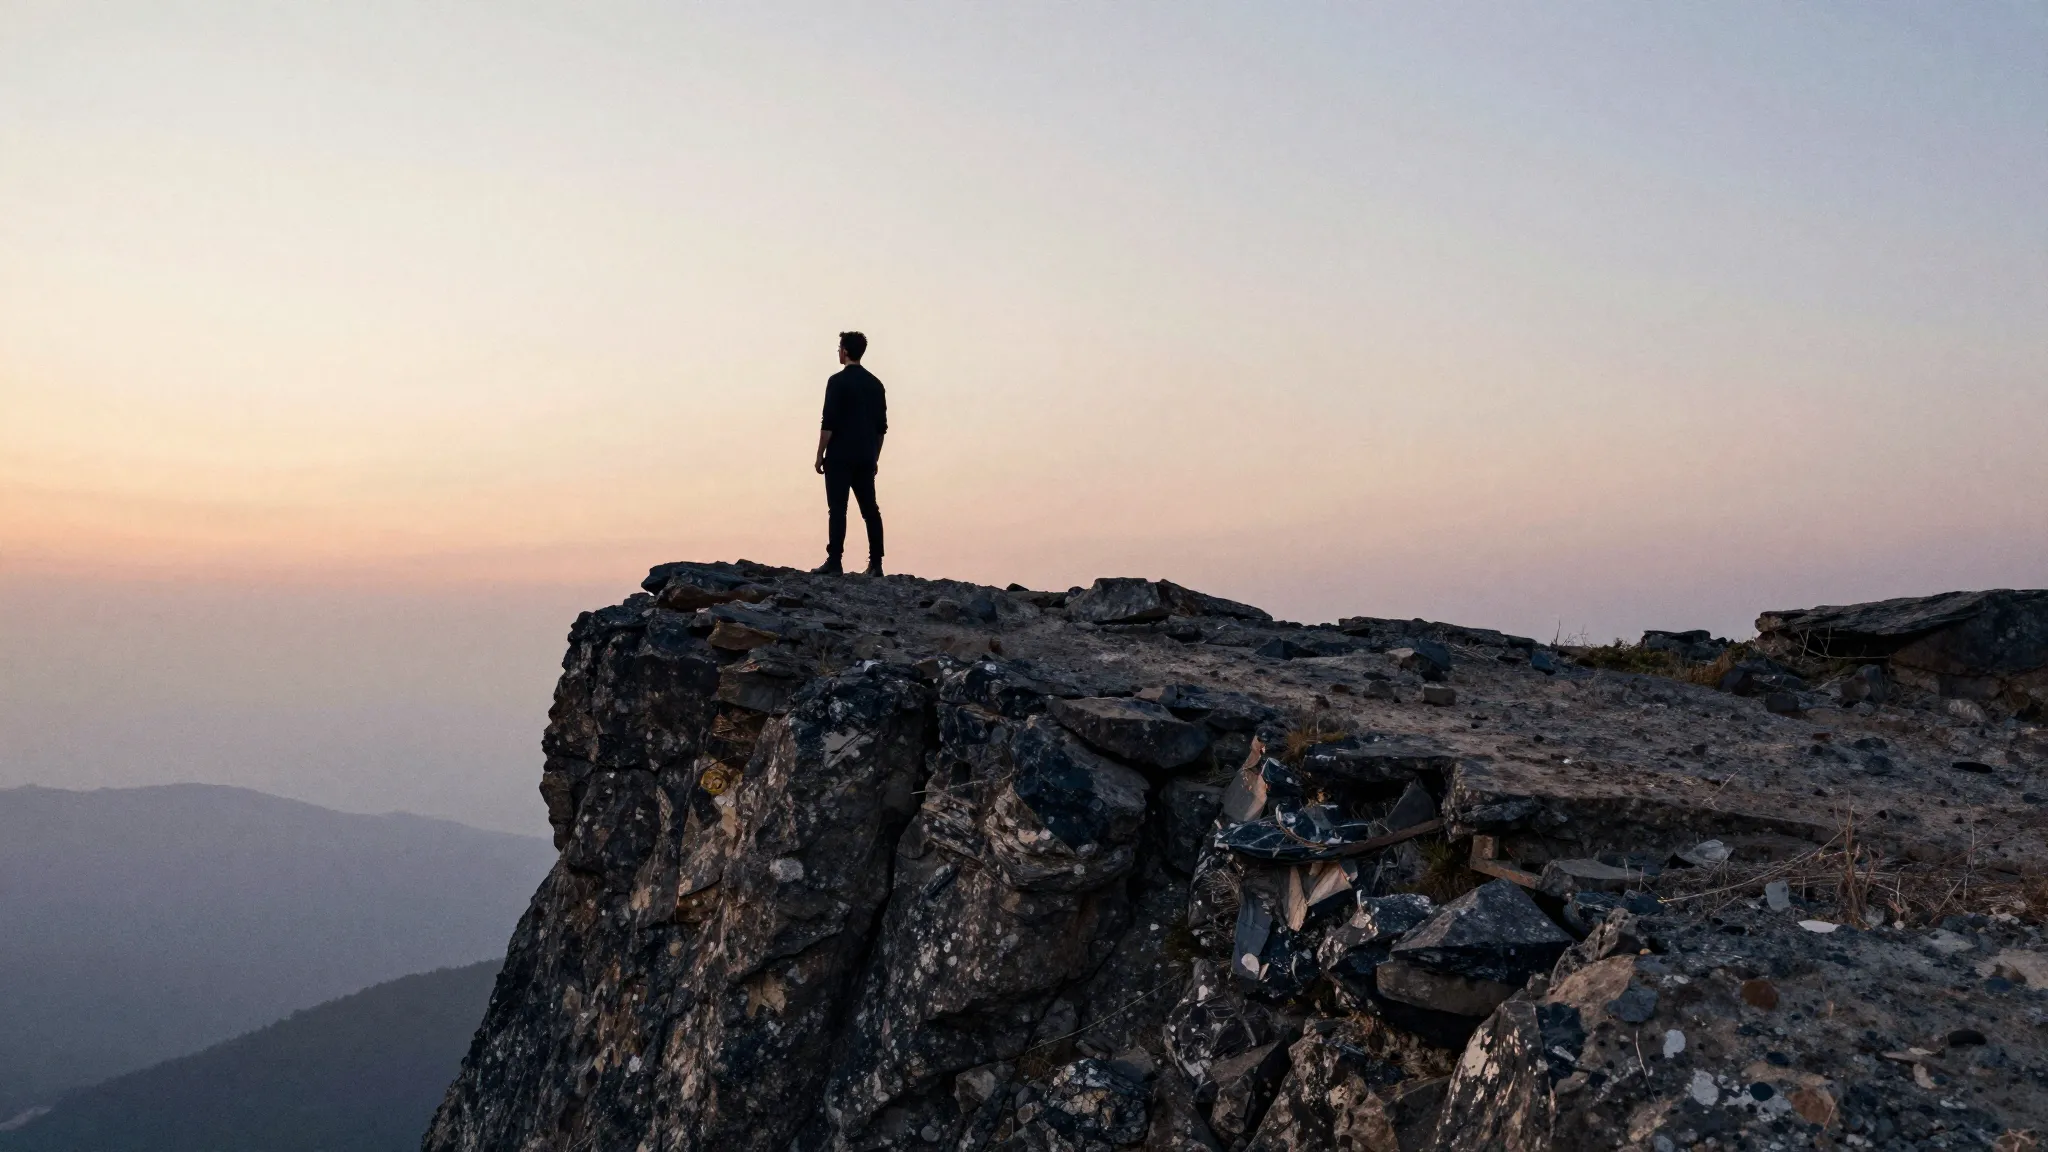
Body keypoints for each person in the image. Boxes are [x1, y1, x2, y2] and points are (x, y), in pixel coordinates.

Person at [813, 331, 886, 575]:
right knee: (870, 510)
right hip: (866, 455)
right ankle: (876, 564)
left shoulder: (837, 382)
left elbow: (828, 422)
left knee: (837, 509)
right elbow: (880, 429)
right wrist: (875, 457)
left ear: (844, 351)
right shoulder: (876, 384)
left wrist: (819, 453)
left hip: (840, 456)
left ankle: (835, 561)